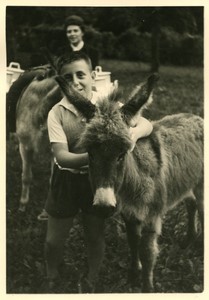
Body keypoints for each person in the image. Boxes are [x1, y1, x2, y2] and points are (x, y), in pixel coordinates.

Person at [44, 52, 153, 292]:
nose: (75, 81)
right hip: (67, 180)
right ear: (62, 81)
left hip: (99, 182)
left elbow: (147, 123)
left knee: (95, 236)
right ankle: (51, 274)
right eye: (67, 77)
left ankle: (92, 278)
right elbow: (61, 156)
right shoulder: (57, 113)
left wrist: (133, 134)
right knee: (53, 241)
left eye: (80, 74)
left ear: (93, 77)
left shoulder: (109, 108)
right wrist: (99, 157)